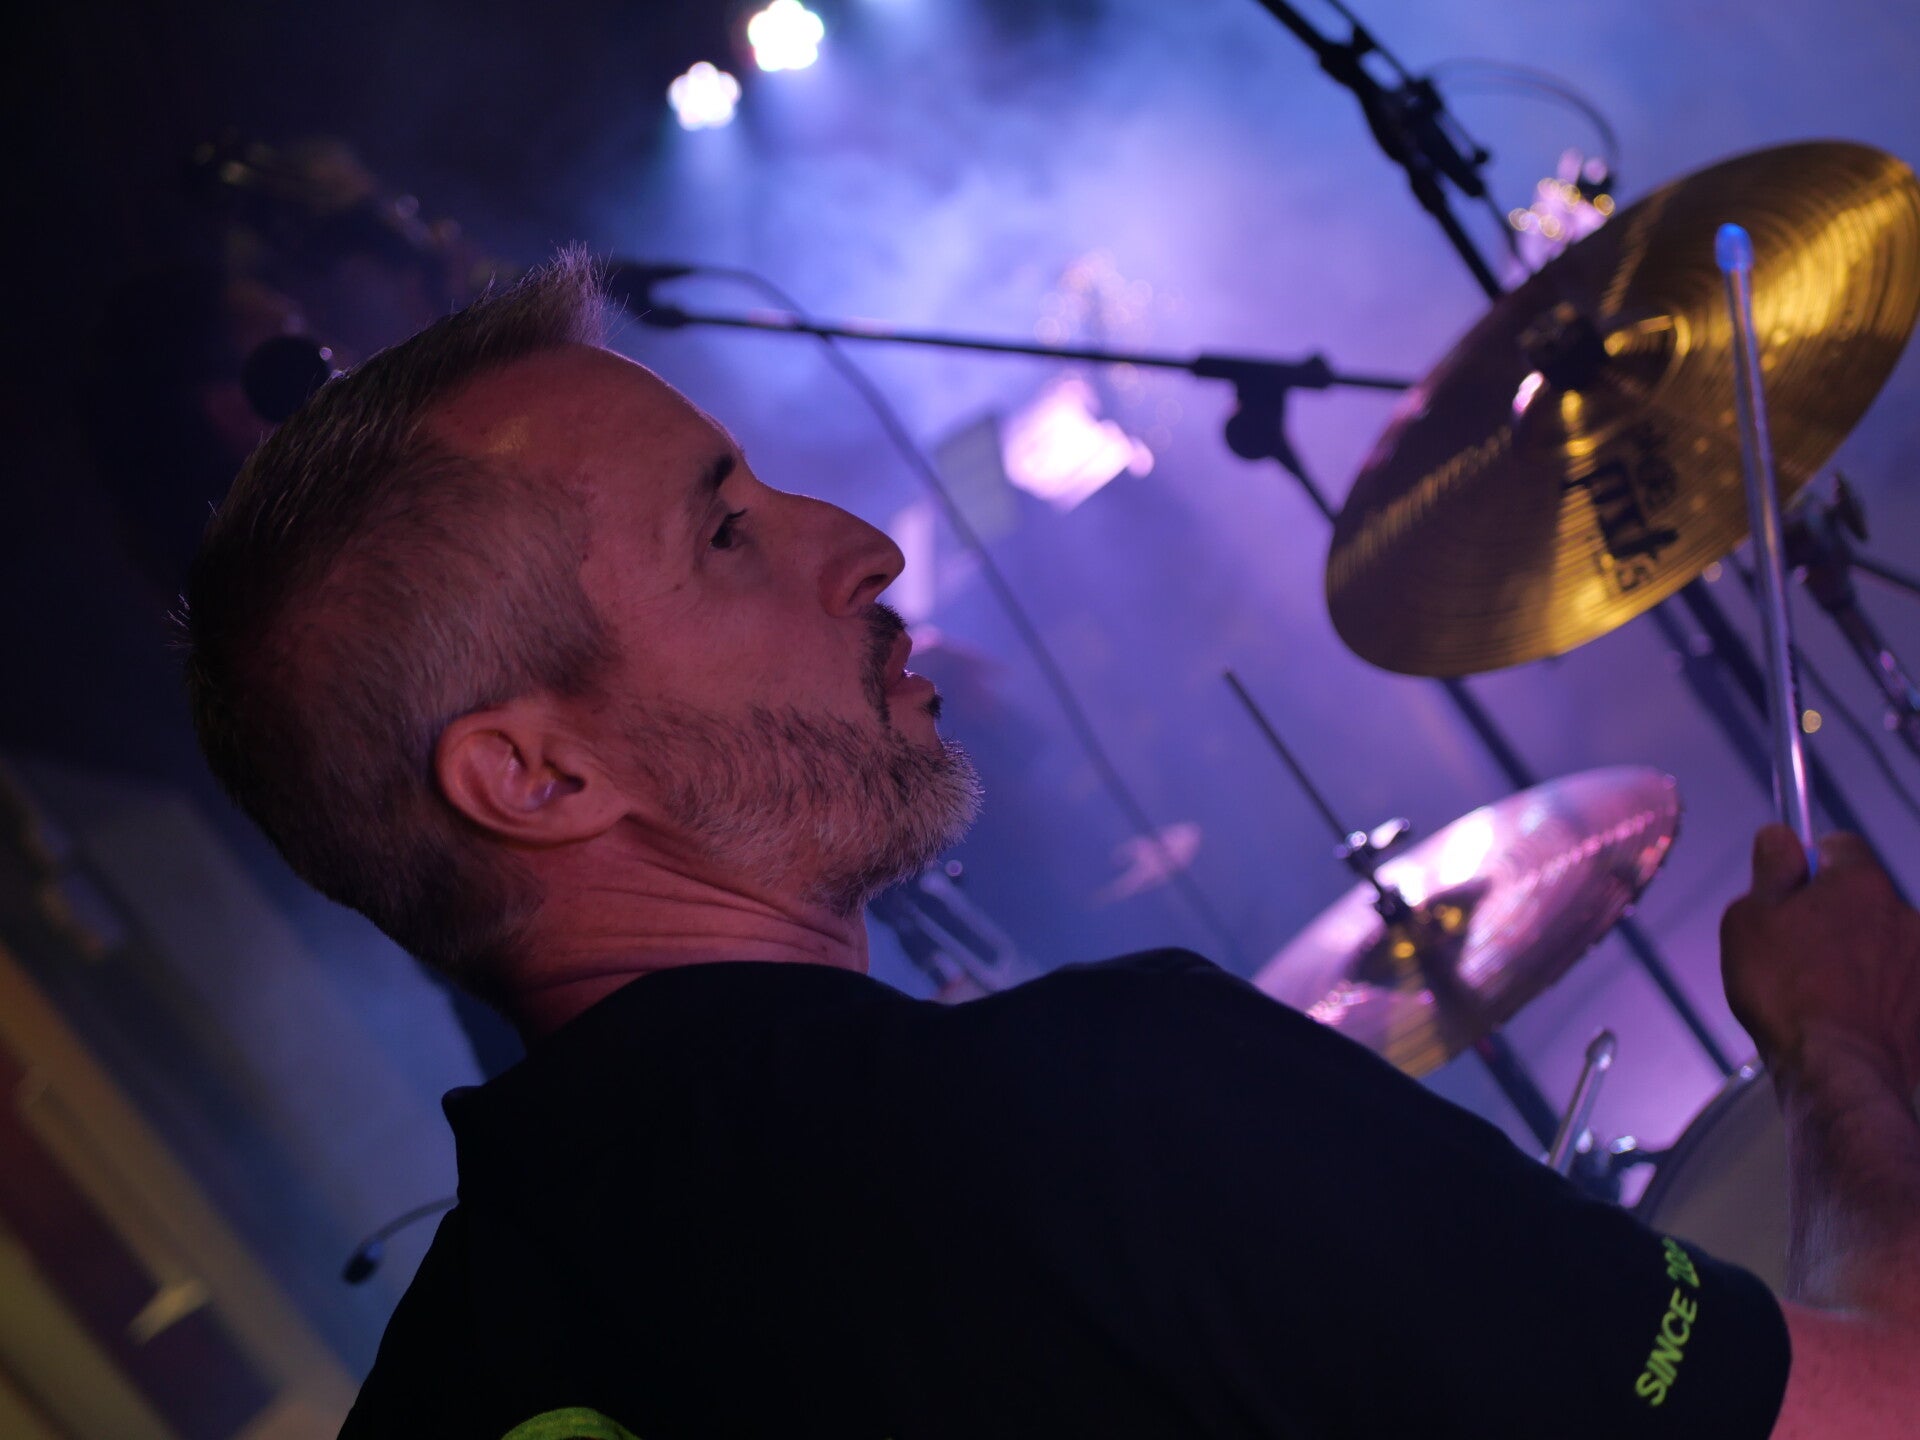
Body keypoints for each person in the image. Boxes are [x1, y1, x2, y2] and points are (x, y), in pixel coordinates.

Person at [181, 254, 1920, 1438]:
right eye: (724, 534)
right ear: (534, 777)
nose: (861, 547)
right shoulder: (1103, 1110)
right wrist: (1845, 1053)